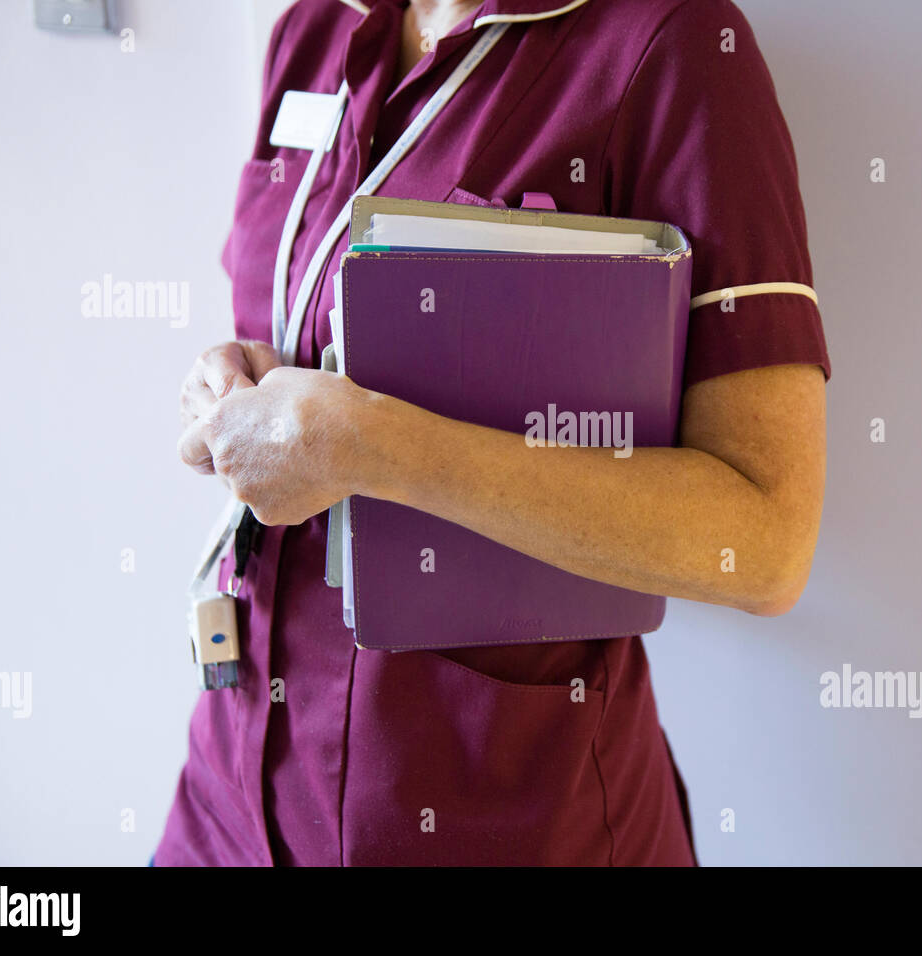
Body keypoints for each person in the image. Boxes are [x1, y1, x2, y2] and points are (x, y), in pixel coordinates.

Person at [155, 0, 830, 866]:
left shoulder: (675, 44)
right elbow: (299, 318)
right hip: (232, 804)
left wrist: (374, 448)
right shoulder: (313, 30)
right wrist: (236, 379)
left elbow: (766, 541)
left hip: (500, 820)